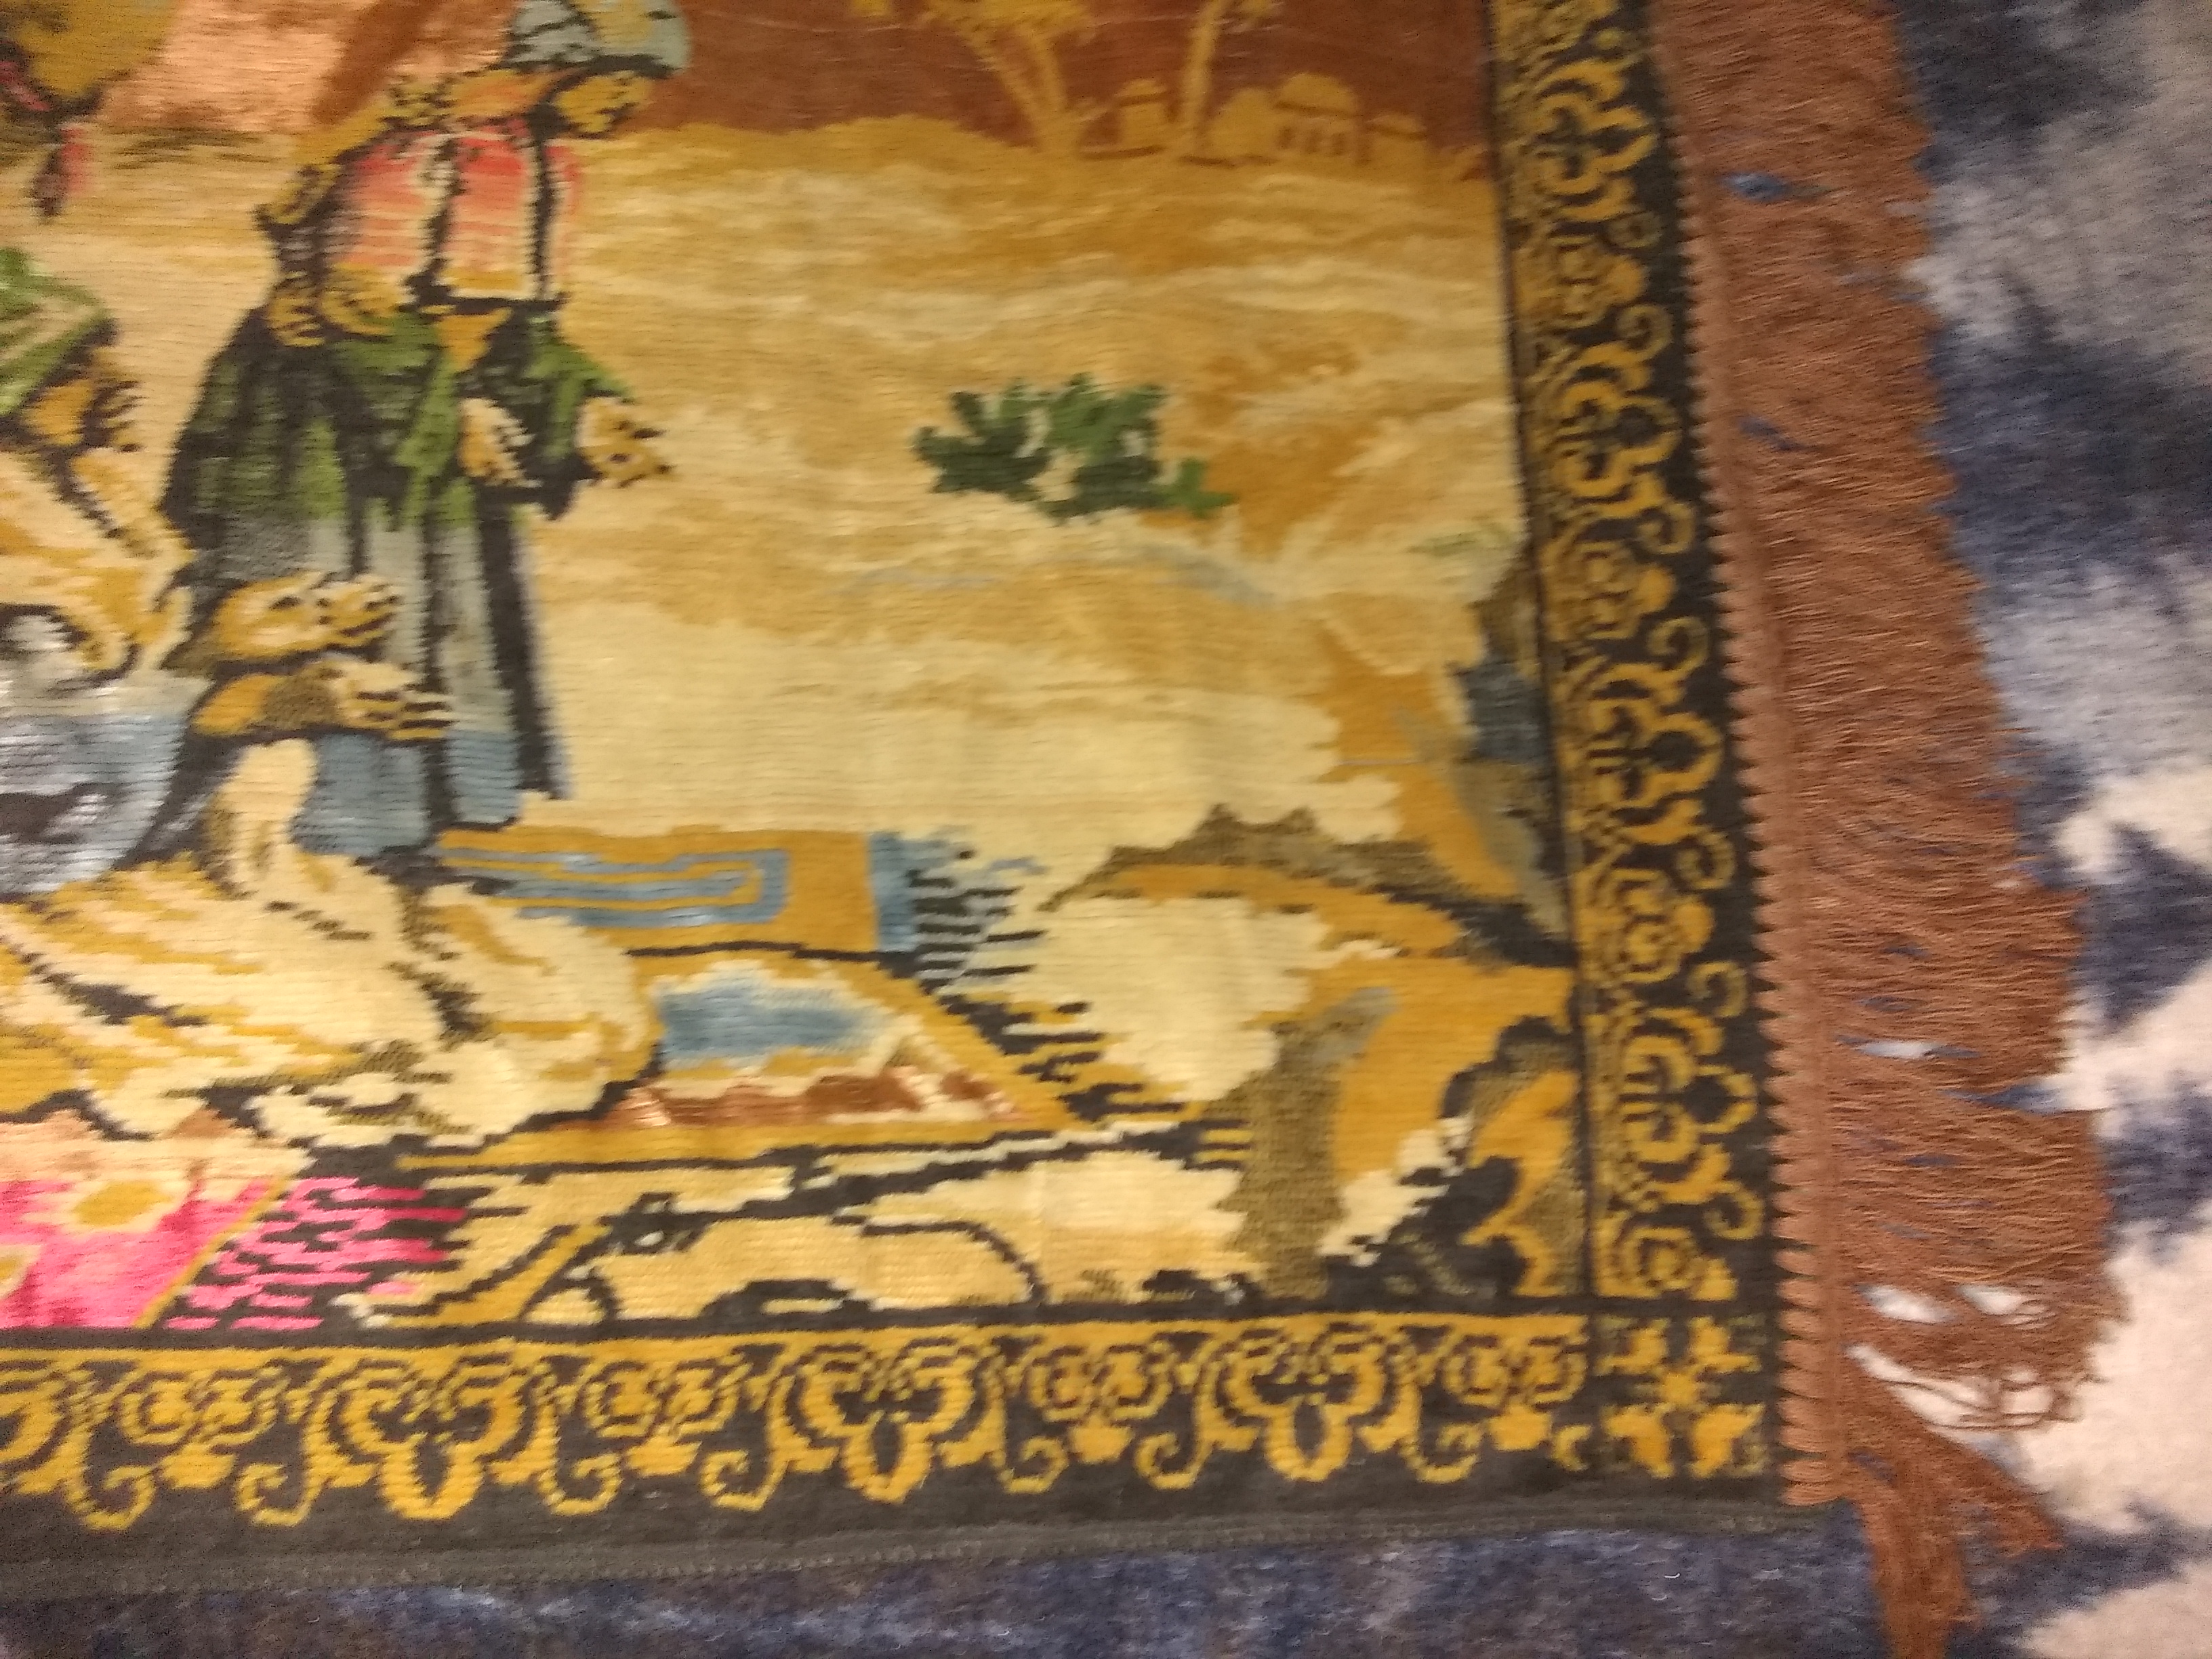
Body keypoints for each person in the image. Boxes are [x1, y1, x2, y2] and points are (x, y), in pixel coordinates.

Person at [161, 0, 688, 863]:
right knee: (340, 600)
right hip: (328, 418)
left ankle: (419, 824)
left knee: (446, 610)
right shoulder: (416, 154)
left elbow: (514, 328)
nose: (631, 105)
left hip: (429, 409)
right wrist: (454, 410)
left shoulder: (549, 165)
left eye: (645, 87)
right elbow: (356, 307)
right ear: (559, 68)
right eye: (620, 82)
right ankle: (304, 821)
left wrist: (584, 407)